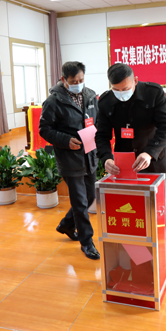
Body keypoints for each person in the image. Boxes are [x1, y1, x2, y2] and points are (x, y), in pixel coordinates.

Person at [96, 64, 166, 269]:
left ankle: (160, 253)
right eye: (116, 90)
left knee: (155, 213)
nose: (121, 93)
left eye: (125, 88)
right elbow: (102, 135)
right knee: (130, 213)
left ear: (135, 81)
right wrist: (106, 158)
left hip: (153, 162)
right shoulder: (105, 101)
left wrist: (150, 152)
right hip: (124, 166)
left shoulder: (153, 93)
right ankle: (138, 256)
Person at [39, 62, 100, 260]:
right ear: (64, 79)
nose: (78, 84)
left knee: (90, 196)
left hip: (89, 154)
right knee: (80, 202)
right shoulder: (53, 101)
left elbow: (96, 121)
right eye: (74, 81)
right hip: (69, 157)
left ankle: (66, 224)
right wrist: (65, 140)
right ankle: (87, 241)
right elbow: (44, 129)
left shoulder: (91, 95)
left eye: (81, 80)